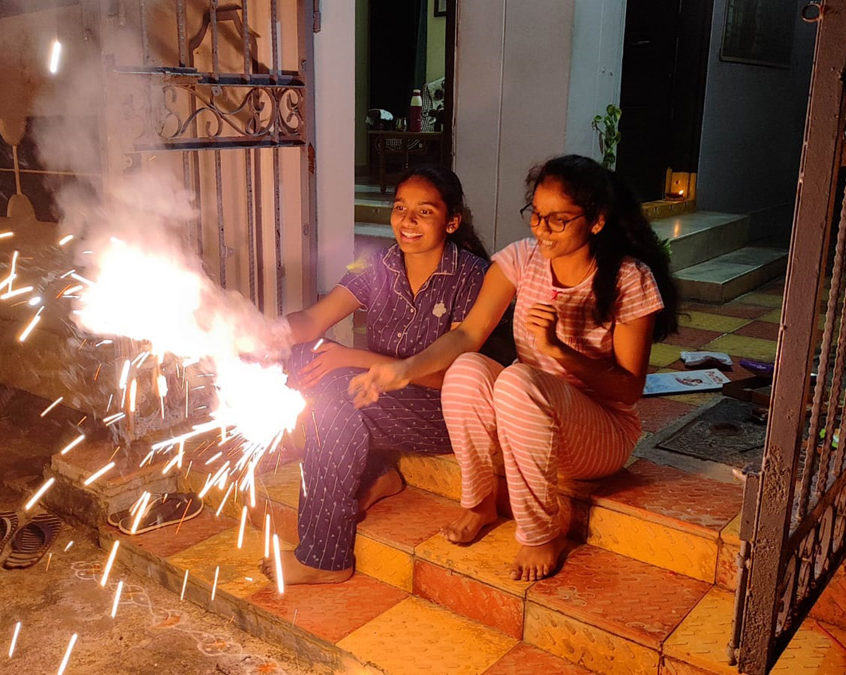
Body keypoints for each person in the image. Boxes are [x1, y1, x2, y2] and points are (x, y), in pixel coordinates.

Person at [350, 155, 679, 582]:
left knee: (518, 380)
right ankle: (480, 503)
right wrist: (405, 369)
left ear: (596, 221)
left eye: (558, 220)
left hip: (600, 434)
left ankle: (541, 532)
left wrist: (558, 351)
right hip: (527, 423)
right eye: (536, 216)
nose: (541, 229)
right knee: (468, 368)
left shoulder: (628, 279)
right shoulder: (522, 259)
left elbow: (629, 390)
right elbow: (468, 335)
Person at [260, 166, 491, 585]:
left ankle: (325, 557)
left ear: (451, 221)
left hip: (442, 410)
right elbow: (314, 319)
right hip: (379, 398)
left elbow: (454, 382)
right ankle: (376, 473)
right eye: (401, 208)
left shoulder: (472, 276)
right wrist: (259, 333)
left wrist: (352, 357)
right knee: (295, 358)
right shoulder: (380, 264)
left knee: (333, 394)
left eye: (424, 212)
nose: (408, 221)